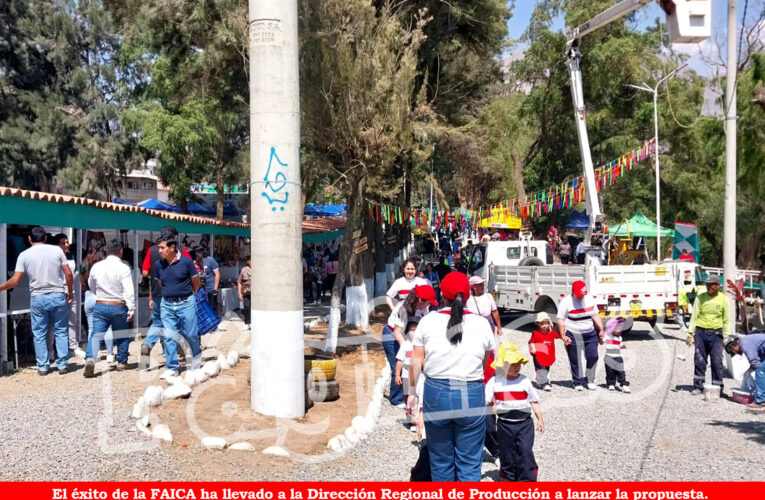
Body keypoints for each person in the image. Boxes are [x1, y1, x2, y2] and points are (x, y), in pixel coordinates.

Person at [408, 272, 494, 482]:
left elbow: (416, 362)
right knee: (470, 463)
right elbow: (485, 363)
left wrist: (411, 393)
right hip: (471, 391)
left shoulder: (427, 322)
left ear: (441, 295)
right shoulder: (482, 324)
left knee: (441, 462)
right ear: (468, 295)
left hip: (436, 393)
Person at [0, 226, 74, 375]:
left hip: (38, 297)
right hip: (57, 294)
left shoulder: (24, 255)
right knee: (60, 331)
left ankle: (43, 366)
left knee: (39, 333)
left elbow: (15, 280)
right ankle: (62, 364)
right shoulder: (57, 251)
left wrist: (1, 287)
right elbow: (68, 274)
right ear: (45, 238)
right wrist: (70, 291)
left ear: (29, 239)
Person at [485, 342, 544, 482]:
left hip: (524, 424)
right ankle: (508, 479)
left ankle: (527, 480)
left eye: (519, 363)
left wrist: (540, 418)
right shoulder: (494, 382)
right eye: (513, 363)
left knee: (525, 451)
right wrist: (491, 411)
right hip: (505, 425)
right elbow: (485, 403)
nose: (517, 367)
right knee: (507, 454)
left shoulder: (524, 381)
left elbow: (533, 401)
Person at [84, 239, 135, 377]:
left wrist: (99, 295)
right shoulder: (124, 268)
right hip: (118, 305)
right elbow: (128, 290)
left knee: (96, 334)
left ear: (107, 251)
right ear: (121, 252)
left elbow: (91, 284)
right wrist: (131, 308)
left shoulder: (96, 266)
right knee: (122, 334)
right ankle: (122, 362)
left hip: (101, 304)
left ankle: (90, 358)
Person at [154, 232, 202, 379]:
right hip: (167, 304)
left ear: (172, 247)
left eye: (162, 248)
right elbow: (161, 283)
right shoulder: (158, 264)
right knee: (169, 336)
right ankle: (172, 367)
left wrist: (188, 298)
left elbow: (196, 283)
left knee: (191, 334)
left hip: (186, 302)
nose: (160, 251)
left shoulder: (187, 262)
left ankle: (196, 360)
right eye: (159, 248)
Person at [140, 227, 191, 365]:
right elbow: (190, 269)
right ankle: (175, 353)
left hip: (157, 291)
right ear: (175, 238)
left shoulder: (152, 250)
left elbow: (145, 272)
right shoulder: (181, 250)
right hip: (176, 293)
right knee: (175, 324)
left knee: (158, 322)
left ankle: (148, 343)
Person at [383, 285, 437, 407]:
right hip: (392, 335)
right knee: (398, 365)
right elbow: (397, 332)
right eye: (428, 302)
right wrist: (407, 349)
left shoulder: (423, 308)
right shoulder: (403, 307)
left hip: (408, 336)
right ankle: (396, 399)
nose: (429, 305)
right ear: (420, 300)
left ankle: (411, 394)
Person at [687, 275, 730, 396]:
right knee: (699, 360)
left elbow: (726, 319)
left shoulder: (723, 299)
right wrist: (690, 334)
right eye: (707, 284)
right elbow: (694, 316)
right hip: (700, 333)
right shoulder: (700, 298)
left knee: (717, 361)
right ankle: (698, 386)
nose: (708, 287)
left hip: (716, 335)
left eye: (711, 284)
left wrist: (726, 337)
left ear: (717, 286)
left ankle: (718, 387)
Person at [557, 280, 604, 391]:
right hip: (573, 334)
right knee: (575, 359)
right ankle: (577, 381)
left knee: (593, 356)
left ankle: (590, 380)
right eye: (578, 295)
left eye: (582, 295)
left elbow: (595, 315)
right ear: (573, 292)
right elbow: (561, 320)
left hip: (590, 333)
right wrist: (563, 335)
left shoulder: (589, 299)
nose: (580, 297)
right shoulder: (566, 302)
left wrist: (601, 329)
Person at [51, 233, 85, 357]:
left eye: (67, 242)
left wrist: (84, 265)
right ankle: (51, 350)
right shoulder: (53, 257)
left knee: (73, 319)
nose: (66, 245)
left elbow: (75, 273)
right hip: (58, 291)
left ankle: (73, 346)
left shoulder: (71, 256)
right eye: (63, 242)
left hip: (71, 291)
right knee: (54, 323)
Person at [81, 240, 114, 362]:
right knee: (108, 327)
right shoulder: (105, 263)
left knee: (91, 328)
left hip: (89, 294)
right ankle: (110, 354)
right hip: (103, 296)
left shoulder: (85, 262)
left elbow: (81, 278)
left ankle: (93, 355)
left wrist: (85, 285)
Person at [724, 334, 765, 412]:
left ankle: (761, 401)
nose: (736, 353)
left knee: (760, 371)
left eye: (733, 352)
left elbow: (755, 362)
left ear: (733, 346)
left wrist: (752, 369)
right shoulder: (747, 341)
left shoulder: (744, 344)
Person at [395, 319, 420, 427]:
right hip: (406, 375)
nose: (413, 332)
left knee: (417, 397)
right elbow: (399, 361)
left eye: (415, 330)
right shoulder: (405, 345)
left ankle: (417, 419)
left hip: (418, 375)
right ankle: (411, 420)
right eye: (411, 330)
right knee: (407, 397)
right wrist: (397, 375)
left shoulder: (421, 345)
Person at [528, 311, 561, 391]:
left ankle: (540, 380)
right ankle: (545, 383)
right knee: (541, 368)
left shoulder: (551, 333)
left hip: (548, 355)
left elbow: (558, 336)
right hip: (538, 355)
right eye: (542, 324)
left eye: (546, 323)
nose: (544, 325)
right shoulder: (535, 333)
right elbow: (531, 342)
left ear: (549, 323)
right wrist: (533, 348)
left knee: (546, 368)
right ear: (538, 324)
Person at [603, 317, 630, 392]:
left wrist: (622, 346)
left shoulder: (619, 338)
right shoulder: (607, 336)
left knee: (621, 372)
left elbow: (619, 345)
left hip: (618, 357)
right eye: (617, 329)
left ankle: (623, 384)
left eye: (620, 329)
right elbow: (602, 339)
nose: (619, 330)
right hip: (609, 357)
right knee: (610, 372)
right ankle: (611, 383)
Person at [200, 247, 220, 316]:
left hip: (211, 287)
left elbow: (217, 274)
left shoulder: (210, 260)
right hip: (202, 288)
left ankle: (215, 320)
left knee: (212, 306)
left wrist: (215, 288)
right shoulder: (197, 261)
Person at [238, 255, 252, 331]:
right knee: (246, 307)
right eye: (251, 260)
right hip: (246, 292)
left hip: (256, 294)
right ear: (248, 262)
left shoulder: (259, 269)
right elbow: (239, 282)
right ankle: (247, 323)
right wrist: (239, 293)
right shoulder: (244, 270)